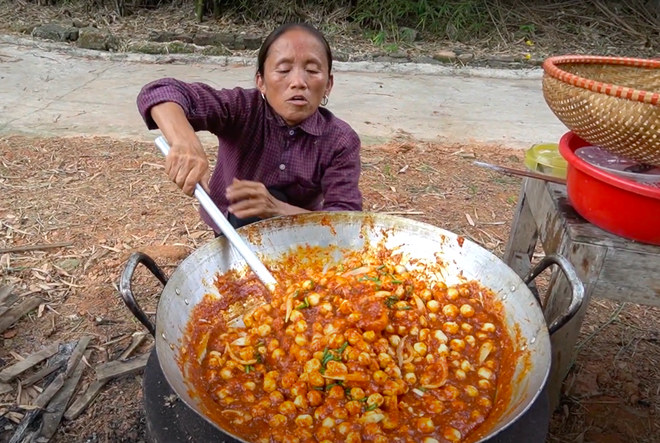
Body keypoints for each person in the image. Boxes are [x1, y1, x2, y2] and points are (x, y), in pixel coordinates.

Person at [135, 22, 363, 236]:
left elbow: (345, 222)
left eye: (312, 71)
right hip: (228, 228)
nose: (298, 82)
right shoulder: (241, 109)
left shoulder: (340, 140)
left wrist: (278, 210)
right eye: (283, 70)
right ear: (261, 81)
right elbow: (160, 91)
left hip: (304, 235)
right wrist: (184, 139)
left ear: (328, 85)